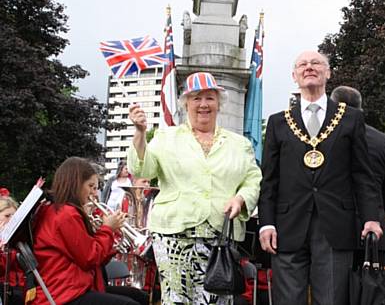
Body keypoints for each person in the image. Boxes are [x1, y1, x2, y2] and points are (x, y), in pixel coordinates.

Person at [258, 51, 382, 305]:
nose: (309, 67)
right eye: (302, 64)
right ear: (294, 76)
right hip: (287, 226)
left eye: (316, 63)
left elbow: (363, 175)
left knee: (332, 300)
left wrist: (371, 217)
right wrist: (266, 223)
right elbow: (269, 179)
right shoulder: (278, 123)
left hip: (335, 225)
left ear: (328, 73)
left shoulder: (351, 118)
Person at [128, 71, 262, 304]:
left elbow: (253, 180)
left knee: (217, 300)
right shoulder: (165, 137)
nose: (203, 104)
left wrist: (240, 199)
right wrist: (140, 133)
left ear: (219, 103)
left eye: (209, 98)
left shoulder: (239, 144)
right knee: (176, 299)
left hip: (220, 236)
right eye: (196, 98)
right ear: (185, 103)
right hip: (173, 234)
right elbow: (143, 170)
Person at [32, 157, 136, 305]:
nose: (94, 194)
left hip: (70, 287)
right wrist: (107, 229)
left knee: (138, 297)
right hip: (64, 293)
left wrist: (112, 241)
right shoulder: (67, 214)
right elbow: (90, 258)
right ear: (76, 184)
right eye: (91, 186)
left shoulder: (57, 210)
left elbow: (95, 260)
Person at [330, 85, 385, 250]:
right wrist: (375, 209)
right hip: (374, 229)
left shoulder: (322, 138)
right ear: (360, 108)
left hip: (332, 227)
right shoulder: (384, 141)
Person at [0, 194, 25, 305]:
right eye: (7, 216)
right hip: (4, 291)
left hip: (20, 289)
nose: (11, 220)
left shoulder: (19, 237)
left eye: (14, 217)